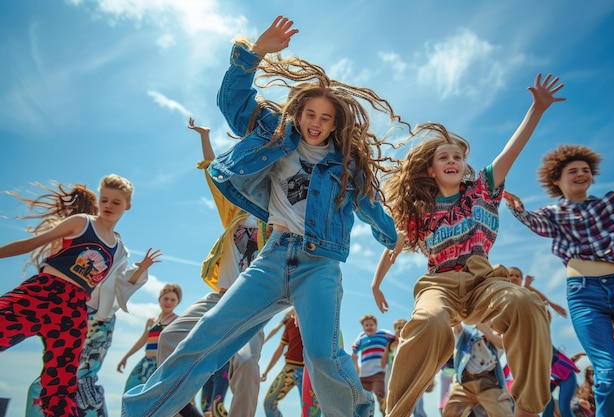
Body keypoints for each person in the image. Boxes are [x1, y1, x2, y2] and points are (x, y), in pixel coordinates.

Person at [122, 15, 405, 417]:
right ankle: (141, 412)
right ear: (299, 112)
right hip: (271, 259)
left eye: (326, 118)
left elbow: (372, 208)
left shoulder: (347, 165)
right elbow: (233, 105)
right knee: (207, 336)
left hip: (319, 266)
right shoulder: (276, 131)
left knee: (324, 356)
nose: (316, 124)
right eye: (311, 114)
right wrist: (253, 53)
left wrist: (393, 237)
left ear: (335, 124)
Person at [371, 72, 566, 417]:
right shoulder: (422, 211)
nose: (452, 161)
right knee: (428, 322)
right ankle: (396, 412)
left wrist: (536, 109)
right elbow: (395, 245)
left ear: (464, 168)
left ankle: (528, 409)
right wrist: (376, 283)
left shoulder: (482, 190)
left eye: (457, 158)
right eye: (444, 157)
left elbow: (512, 150)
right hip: (440, 284)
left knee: (526, 304)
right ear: (431, 170)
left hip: (483, 280)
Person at [0, 174, 158, 417]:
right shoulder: (82, 223)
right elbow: (32, 243)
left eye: (116, 202)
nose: (108, 206)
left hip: (73, 310)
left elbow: (116, 285)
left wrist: (141, 269)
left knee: (61, 388)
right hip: (43, 292)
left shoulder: (119, 249)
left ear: (127, 205)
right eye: (104, 200)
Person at [153, 118, 268, 417]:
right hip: (220, 297)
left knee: (245, 362)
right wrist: (205, 137)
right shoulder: (234, 212)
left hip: (251, 307)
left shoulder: (276, 223)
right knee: (168, 338)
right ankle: (179, 406)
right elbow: (213, 172)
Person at [504, 144, 614, 416]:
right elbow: (534, 222)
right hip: (586, 294)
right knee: (609, 375)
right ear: (557, 180)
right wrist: (517, 208)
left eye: (585, 170)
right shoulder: (553, 214)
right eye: (573, 171)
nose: (581, 174)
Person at [507, 266, 580, 417]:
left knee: (564, 408)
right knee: (545, 407)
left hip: (560, 369)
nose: (514, 278)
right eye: (510, 276)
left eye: (517, 276)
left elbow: (545, 313)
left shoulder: (528, 301)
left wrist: (529, 290)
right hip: (541, 372)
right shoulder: (504, 301)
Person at [117, 283, 182, 392]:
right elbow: (143, 340)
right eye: (166, 298)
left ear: (177, 302)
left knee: (152, 394)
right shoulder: (152, 321)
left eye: (173, 300)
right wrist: (126, 357)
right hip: (145, 362)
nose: (168, 302)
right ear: (160, 298)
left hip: (161, 364)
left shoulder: (177, 321)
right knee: (131, 389)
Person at [442, 322, 514, 416]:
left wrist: (486, 331)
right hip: (465, 383)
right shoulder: (467, 332)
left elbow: (504, 345)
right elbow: (457, 326)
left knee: (503, 413)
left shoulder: (495, 334)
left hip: (487, 382)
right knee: (450, 412)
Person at [260, 308, 305, 416]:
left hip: (308, 372)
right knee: (268, 403)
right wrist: (266, 372)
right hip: (290, 368)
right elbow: (280, 349)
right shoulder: (289, 322)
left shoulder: (312, 321)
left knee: (309, 411)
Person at [351, 313, 395, 415]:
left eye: (371, 325)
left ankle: (386, 413)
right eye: (366, 325)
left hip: (379, 372)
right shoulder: (361, 337)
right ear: (363, 327)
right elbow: (354, 352)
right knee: (362, 400)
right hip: (364, 374)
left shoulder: (384, 334)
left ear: (376, 325)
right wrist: (356, 368)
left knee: (380, 394)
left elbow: (396, 338)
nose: (369, 327)